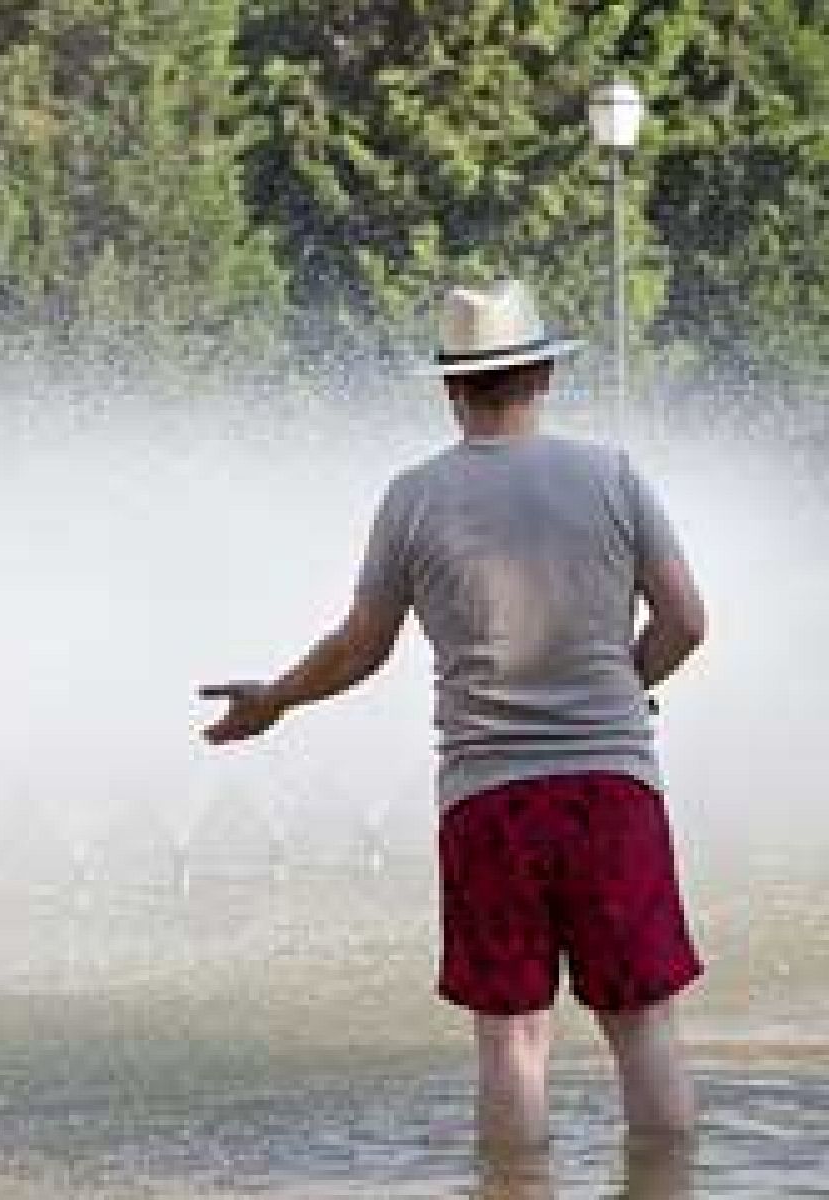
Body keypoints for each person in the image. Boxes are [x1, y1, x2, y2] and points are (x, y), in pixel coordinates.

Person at [197, 279, 707, 1153]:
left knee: (512, 1039)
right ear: (544, 373)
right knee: (643, 1024)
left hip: (488, 803)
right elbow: (688, 621)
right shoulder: (614, 475)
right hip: (613, 791)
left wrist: (275, 698)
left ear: (451, 388)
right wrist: (623, 688)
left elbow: (362, 645)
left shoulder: (415, 497)